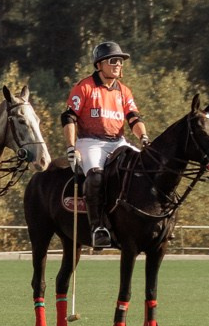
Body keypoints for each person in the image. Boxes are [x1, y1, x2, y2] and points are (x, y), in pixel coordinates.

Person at [61, 40, 149, 249]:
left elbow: (134, 119)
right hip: (91, 142)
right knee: (96, 176)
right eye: (113, 60)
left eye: (120, 61)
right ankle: (98, 227)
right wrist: (71, 147)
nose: (118, 64)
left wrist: (143, 137)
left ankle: (147, 220)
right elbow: (68, 118)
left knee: (144, 168)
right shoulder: (84, 88)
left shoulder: (124, 91)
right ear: (99, 64)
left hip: (118, 141)